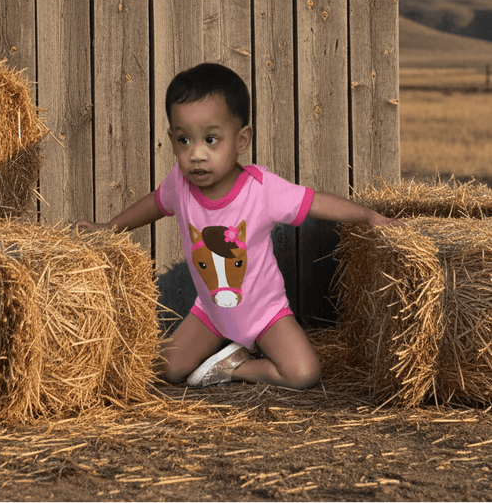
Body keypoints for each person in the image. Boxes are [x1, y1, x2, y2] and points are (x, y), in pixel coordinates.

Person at [75, 62, 404, 390]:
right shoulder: (179, 184)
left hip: (264, 314)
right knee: (170, 370)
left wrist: (369, 217)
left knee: (303, 373)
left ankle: (237, 367)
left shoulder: (261, 190)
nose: (197, 154)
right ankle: (224, 347)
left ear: (241, 140)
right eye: (184, 140)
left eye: (211, 140)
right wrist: (110, 227)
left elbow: (316, 202)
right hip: (211, 313)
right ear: (171, 140)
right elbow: (154, 204)